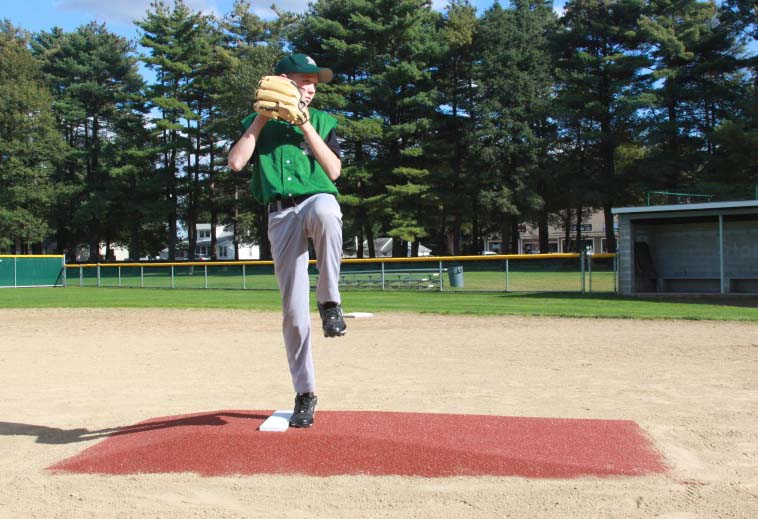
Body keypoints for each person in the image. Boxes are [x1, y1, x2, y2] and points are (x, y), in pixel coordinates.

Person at [228, 53, 346, 429]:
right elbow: (235, 163)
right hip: (280, 215)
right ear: (283, 81)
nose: (311, 88)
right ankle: (305, 393)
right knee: (294, 315)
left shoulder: (324, 121)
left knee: (328, 211)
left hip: (315, 200)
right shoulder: (255, 124)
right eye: (304, 81)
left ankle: (329, 301)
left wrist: (307, 126)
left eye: (315, 83)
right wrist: (261, 118)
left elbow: (334, 171)